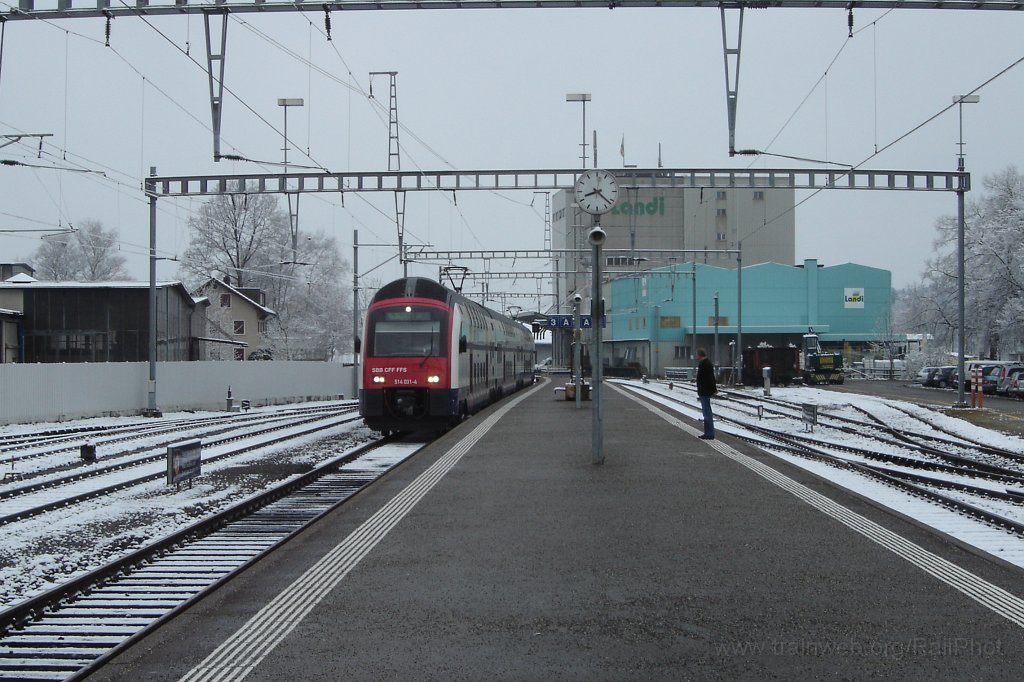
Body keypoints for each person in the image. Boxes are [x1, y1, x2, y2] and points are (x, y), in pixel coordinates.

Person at [696, 348, 717, 440]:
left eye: (697, 355)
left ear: (700, 355)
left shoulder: (705, 364)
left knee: (707, 413)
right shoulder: (705, 364)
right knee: (706, 412)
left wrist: (713, 389)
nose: (696, 357)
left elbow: (710, 378)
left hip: (705, 391)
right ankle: (708, 432)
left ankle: (709, 433)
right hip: (704, 391)